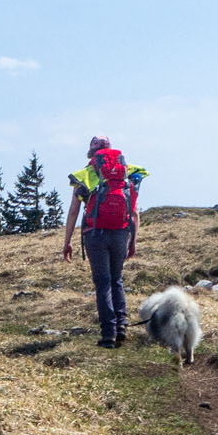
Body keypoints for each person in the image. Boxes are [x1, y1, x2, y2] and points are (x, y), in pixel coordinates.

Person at [60, 136, 148, 347]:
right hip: (121, 233)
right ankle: (121, 325)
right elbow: (134, 211)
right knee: (116, 279)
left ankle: (108, 334)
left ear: (91, 153)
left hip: (95, 234)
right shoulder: (128, 172)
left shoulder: (85, 174)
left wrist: (67, 241)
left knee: (102, 282)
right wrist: (133, 240)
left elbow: (74, 211)